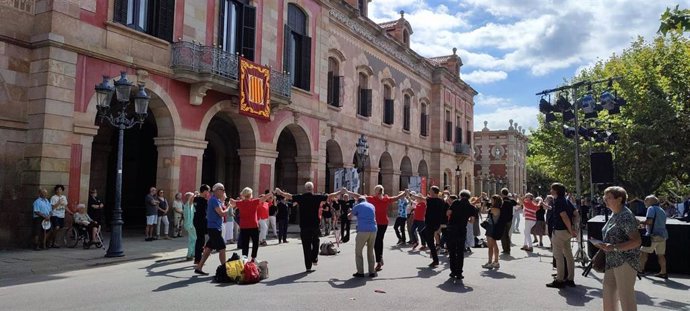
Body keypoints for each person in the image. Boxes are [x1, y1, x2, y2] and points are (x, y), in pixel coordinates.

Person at [275, 183, 341, 272]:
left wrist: (280, 192)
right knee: (316, 242)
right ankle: (314, 258)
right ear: (312, 188)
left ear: (305, 189)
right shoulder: (317, 197)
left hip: (304, 225)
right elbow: (330, 196)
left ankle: (308, 266)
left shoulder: (301, 197)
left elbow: (289, 196)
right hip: (315, 225)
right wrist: (341, 191)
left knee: (306, 246)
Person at [594, 186, 641, 311]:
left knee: (625, 296)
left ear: (619, 199)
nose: (605, 200)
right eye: (605, 197)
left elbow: (636, 241)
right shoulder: (615, 214)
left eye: (608, 197)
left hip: (625, 261)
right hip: (612, 260)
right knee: (608, 291)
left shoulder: (625, 215)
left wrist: (614, 247)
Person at [346, 185, 407, 271]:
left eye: (375, 191)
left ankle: (379, 260)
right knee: (379, 240)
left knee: (376, 241)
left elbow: (358, 196)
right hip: (383, 223)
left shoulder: (373, 198)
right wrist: (405, 192)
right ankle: (379, 259)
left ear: (376, 191)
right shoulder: (386, 199)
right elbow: (397, 197)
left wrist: (348, 192)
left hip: (377, 223)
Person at [194, 183, 231, 275]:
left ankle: (199, 267)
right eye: (222, 190)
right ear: (217, 190)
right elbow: (222, 213)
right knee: (222, 248)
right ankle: (224, 270)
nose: (223, 191)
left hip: (214, 227)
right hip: (214, 228)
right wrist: (229, 207)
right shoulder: (214, 200)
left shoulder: (216, 200)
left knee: (209, 248)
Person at [229, 187, 273, 261]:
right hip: (253, 226)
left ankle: (245, 259)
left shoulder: (240, 203)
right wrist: (272, 193)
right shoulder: (254, 202)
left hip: (244, 227)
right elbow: (265, 197)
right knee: (255, 243)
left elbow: (232, 202)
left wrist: (231, 199)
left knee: (245, 244)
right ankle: (253, 258)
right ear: (250, 194)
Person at [546, 183, 577, 288]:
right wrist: (573, 229)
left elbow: (564, 216)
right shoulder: (566, 200)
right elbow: (576, 213)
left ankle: (559, 280)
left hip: (559, 231)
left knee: (558, 255)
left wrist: (570, 229)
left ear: (556, 191)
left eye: (552, 189)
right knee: (568, 255)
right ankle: (570, 279)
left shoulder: (558, 201)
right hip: (567, 232)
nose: (550, 191)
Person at [411, 186, 447, 267]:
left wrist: (409, 194)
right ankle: (434, 249)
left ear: (434, 192)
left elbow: (420, 198)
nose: (429, 191)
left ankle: (435, 258)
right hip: (433, 223)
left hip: (432, 223)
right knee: (423, 233)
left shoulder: (431, 200)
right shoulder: (441, 201)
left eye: (430, 190)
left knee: (428, 239)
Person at [447, 190, 478, 279]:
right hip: (461, 229)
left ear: (460, 196)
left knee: (452, 250)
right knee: (460, 251)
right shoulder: (471, 207)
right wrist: (465, 219)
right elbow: (472, 221)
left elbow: (448, 213)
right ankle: (459, 272)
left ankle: (453, 271)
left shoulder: (456, 202)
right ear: (469, 197)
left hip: (452, 228)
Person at [639, 195, 668, 279]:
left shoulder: (651, 208)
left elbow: (649, 221)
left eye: (646, 200)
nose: (644, 202)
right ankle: (663, 272)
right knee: (661, 255)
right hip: (663, 236)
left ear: (651, 201)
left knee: (643, 252)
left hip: (653, 236)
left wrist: (639, 222)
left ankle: (640, 270)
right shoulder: (661, 210)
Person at [350, 197, 378, 278]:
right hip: (373, 229)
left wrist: (349, 213)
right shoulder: (372, 205)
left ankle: (360, 272)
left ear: (358, 201)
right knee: (370, 250)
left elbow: (350, 216)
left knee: (358, 251)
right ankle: (372, 271)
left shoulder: (358, 206)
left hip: (363, 230)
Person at [482, 195, 503, 270]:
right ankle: (496, 262)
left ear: (495, 201)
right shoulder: (499, 208)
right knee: (494, 245)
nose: (491, 201)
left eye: (492, 200)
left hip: (491, 228)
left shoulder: (494, 209)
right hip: (494, 227)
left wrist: (484, 204)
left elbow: (483, 211)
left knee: (490, 246)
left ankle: (490, 262)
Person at [193, 184, 210, 264]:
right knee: (201, 240)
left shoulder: (196, 199)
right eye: (208, 191)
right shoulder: (204, 201)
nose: (208, 193)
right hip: (201, 222)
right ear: (205, 191)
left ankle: (198, 258)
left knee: (200, 239)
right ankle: (198, 259)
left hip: (196, 221)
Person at [498, 188, 517, 254]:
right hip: (509, 220)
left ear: (502, 193)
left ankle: (505, 249)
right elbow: (516, 203)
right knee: (507, 235)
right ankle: (508, 248)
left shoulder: (501, 201)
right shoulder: (510, 201)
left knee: (503, 235)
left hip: (503, 220)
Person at [182, 192, 196, 260]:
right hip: (189, 224)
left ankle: (192, 253)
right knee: (193, 238)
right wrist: (193, 194)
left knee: (192, 239)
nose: (194, 198)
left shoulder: (192, 205)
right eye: (192, 197)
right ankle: (190, 254)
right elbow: (190, 199)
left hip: (191, 224)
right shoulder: (187, 205)